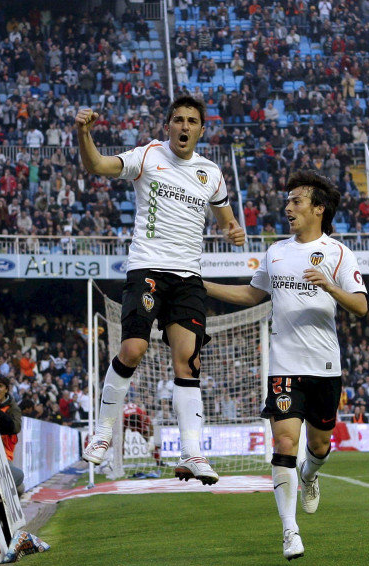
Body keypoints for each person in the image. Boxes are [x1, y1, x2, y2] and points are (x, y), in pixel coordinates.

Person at [74, 95, 245, 486]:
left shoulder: (210, 173)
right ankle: (102, 432)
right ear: (167, 125)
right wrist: (84, 134)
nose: (184, 127)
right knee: (133, 348)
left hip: (188, 277)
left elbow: (226, 219)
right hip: (147, 267)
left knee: (188, 361)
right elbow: (97, 165)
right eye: (178, 120)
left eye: (191, 121)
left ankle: (192, 452)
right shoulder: (147, 156)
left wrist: (232, 230)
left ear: (202, 130)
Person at [202, 170, 368, 560]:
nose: (288, 207)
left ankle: (310, 476)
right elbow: (251, 293)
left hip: (325, 365)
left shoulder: (339, 253)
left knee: (319, 444)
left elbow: (361, 306)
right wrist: (203, 285)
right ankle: (289, 531)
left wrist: (329, 285)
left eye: (296, 201)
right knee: (285, 443)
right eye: (288, 200)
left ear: (318, 209)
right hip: (284, 365)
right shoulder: (275, 252)